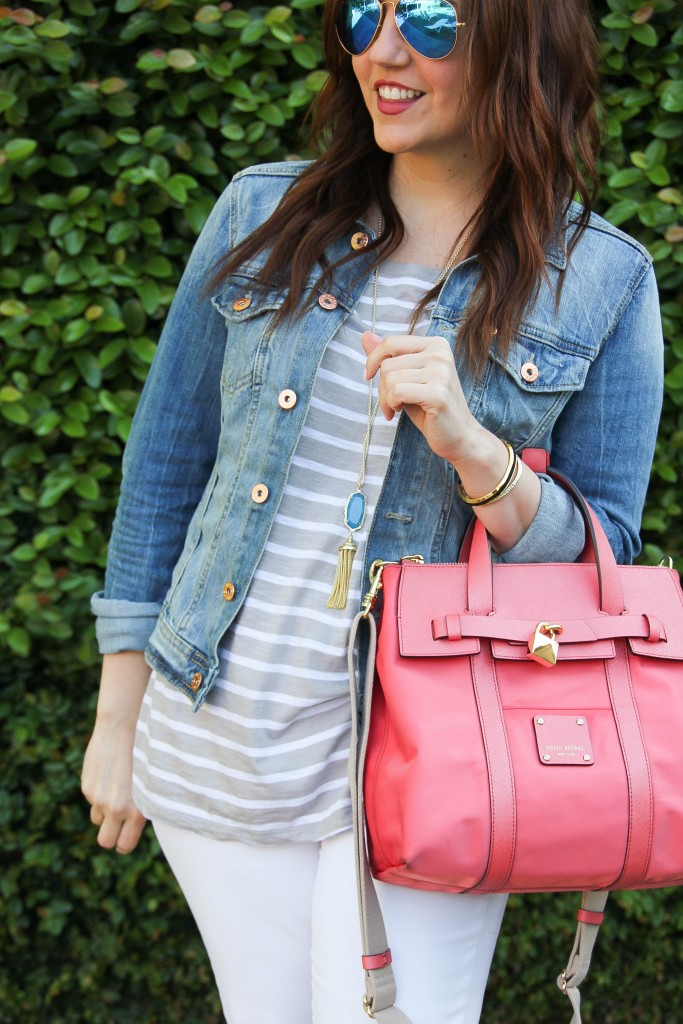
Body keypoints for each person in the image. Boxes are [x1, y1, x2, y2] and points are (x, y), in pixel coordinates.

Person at [81, 1, 663, 1021]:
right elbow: (164, 464)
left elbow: (603, 560)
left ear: (520, 42)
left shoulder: (601, 279)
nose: (382, 51)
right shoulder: (259, 212)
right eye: (364, 14)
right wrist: (116, 720)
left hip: (433, 753)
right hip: (220, 727)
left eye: (431, 21)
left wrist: (472, 448)